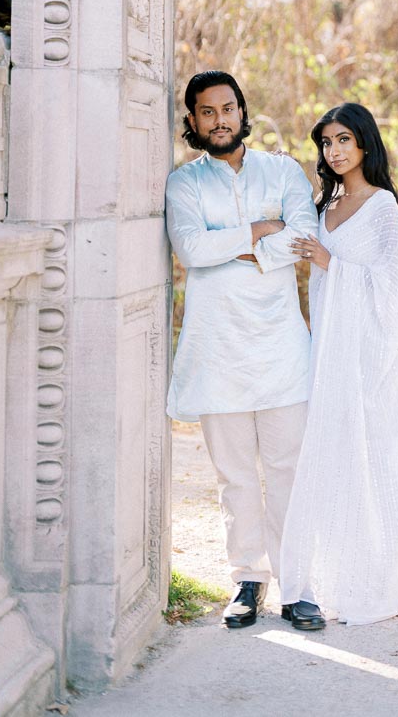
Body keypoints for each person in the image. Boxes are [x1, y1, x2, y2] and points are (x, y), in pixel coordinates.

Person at [280, 102, 398, 624]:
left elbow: (396, 288)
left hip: (368, 359)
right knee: (331, 460)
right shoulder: (325, 205)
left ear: (364, 145)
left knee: (374, 459)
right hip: (327, 352)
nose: (334, 152)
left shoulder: (381, 208)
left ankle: (377, 579)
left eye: (343, 142)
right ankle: (325, 576)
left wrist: (332, 262)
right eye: (327, 143)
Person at [165, 70, 325, 632]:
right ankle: (247, 580)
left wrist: (237, 247)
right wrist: (260, 228)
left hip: (282, 346)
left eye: (227, 108)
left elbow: (303, 237)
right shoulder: (184, 184)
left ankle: (298, 585)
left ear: (242, 111)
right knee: (234, 475)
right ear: (193, 122)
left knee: (288, 468)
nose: (219, 120)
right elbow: (189, 248)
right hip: (217, 349)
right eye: (206, 113)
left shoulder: (282, 170)